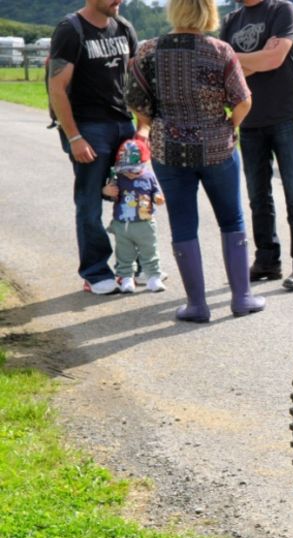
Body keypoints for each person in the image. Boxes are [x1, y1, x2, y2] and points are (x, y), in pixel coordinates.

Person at [126, 0, 263, 322]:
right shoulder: (220, 51)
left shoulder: (147, 52)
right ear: (208, 11)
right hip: (218, 149)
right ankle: (242, 298)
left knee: (183, 223)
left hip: (169, 151)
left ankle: (197, 306)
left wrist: (159, 124)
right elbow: (243, 100)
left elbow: (137, 104)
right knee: (232, 220)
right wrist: (229, 126)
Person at [221, 0, 293, 291]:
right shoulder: (231, 20)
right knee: (258, 197)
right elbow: (225, 70)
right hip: (249, 119)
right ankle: (267, 261)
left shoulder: (282, 10)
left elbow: (274, 60)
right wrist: (257, 57)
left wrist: (239, 60)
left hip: (285, 116)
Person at [47, 0, 139, 296]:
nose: (119, 0)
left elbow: (136, 80)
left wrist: (143, 128)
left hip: (124, 124)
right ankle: (95, 272)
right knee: (90, 202)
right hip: (89, 128)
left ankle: (131, 267)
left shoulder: (124, 27)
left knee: (133, 199)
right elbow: (57, 87)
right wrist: (74, 137)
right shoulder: (70, 30)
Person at [102, 138, 165, 293]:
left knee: (149, 250)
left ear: (143, 164)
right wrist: (106, 191)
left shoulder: (149, 176)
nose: (129, 173)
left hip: (145, 223)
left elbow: (156, 192)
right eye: (126, 169)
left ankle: (153, 277)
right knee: (124, 253)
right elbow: (108, 193)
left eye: (134, 170)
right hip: (122, 224)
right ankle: (126, 278)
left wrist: (158, 198)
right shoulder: (117, 177)